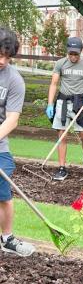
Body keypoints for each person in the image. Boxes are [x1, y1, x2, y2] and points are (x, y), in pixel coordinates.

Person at [0, 26, 35, 256]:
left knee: (2, 193)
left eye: (7, 56)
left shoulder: (14, 80)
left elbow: (12, 120)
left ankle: (7, 238)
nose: (2, 60)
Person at [46, 37, 83, 181]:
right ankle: (62, 168)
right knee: (62, 135)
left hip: (80, 102)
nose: (73, 57)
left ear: (81, 52)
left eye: (76, 54)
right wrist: (50, 104)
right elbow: (53, 84)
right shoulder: (60, 63)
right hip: (63, 102)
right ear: (67, 51)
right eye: (71, 53)